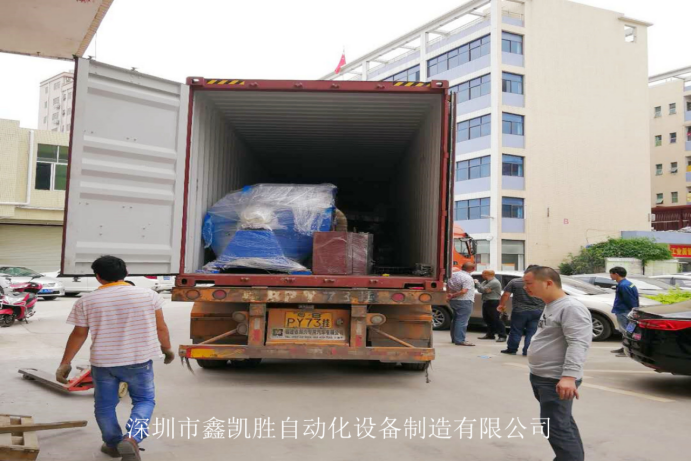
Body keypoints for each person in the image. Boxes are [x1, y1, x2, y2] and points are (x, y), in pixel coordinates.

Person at [56, 256, 175, 461]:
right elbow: (161, 327)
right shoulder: (148, 295)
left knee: (104, 405)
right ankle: (132, 439)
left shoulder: (86, 301)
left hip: (104, 363)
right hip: (139, 361)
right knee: (144, 401)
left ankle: (112, 445)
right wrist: (167, 349)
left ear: (98, 277)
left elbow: (78, 334)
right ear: (126, 273)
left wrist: (65, 363)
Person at [524, 266, 592, 461]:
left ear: (548, 283)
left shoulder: (570, 307)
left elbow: (578, 343)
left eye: (529, 283)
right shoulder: (552, 305)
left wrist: (569, 377)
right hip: (542, 376)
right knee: (561, 424)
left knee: (555, 427)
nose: (526, 288)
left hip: (555, 379)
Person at [498, 265, 545, 355]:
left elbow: (506, 295)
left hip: (519, 311)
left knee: (516, 331)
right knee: (532, 332)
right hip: (538, 311)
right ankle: (527, 351)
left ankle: (512, 349)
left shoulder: (515, 282)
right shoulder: (542, 283)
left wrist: (501, 305)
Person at [608, 266, 639, 356]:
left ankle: (627, 350)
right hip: (627, 311)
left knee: (626, 331)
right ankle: (625, 348)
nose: (610, 276)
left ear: (616, 274)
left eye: (611, 274)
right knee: (628, 331)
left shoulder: (623, 285)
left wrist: (633, 311)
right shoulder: (628, 283)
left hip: (624, 312)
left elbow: (629, 299)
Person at [447, 262, 477, 346]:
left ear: (462, 267)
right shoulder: (468, 278)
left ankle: (454, 338)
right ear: (473, 269)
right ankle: (460, 340)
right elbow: (464, 291)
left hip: (454, 301)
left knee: (456, 319)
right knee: (462, 321)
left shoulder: (453, 275)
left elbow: (448, 286)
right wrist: (453, 295)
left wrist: (449, 295)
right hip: (464, 300)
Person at [475, 270, 506, 341]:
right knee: (487, 319)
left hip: (493, 302)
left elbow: (482, 290)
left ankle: (502, 336)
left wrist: (477, 283)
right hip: (486, 301)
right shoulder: (485, 282)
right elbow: (481, 290)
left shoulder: (494, 282)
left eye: (483, 274)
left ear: (487, 274)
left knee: (496, 319)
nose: (482, 275)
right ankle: (490, 334)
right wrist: (484, 289)